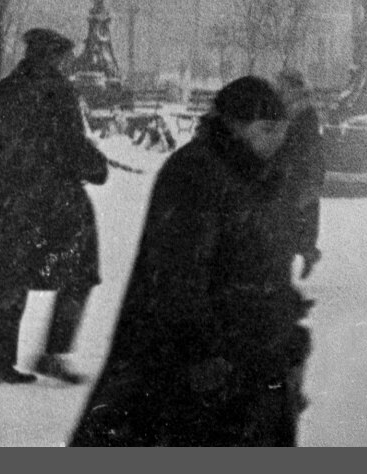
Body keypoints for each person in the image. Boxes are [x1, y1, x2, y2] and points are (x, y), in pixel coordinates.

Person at [71, 76, 310, 446]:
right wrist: (201, 353)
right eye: (265, 129)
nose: (277, 140)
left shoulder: (262, 176)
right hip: (195, 363)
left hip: (250, 359)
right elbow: (176, 274)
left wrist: (285, 326)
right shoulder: (195, 173)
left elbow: (267, 263)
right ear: (234, 125)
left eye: (281, 130)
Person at [0, 27, 109, 385]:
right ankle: (54, 353)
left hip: (12, 200)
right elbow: (71, 145)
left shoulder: (0, 91)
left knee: (11, 279)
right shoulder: (59, 91)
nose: (64, 65)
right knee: (79, 274)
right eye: (61, 58)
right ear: (52, 57)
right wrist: (96, 167)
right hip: (55, 203)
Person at [271, 70, 326, 279]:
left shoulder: (305, 110)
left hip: (302, 172)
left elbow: (309, 146)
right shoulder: (282, 107)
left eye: (281, 84)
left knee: (299, 221)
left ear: (292, 86)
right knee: (284, 223)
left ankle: (308, 254)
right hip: (286, 171)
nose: (278, 87)